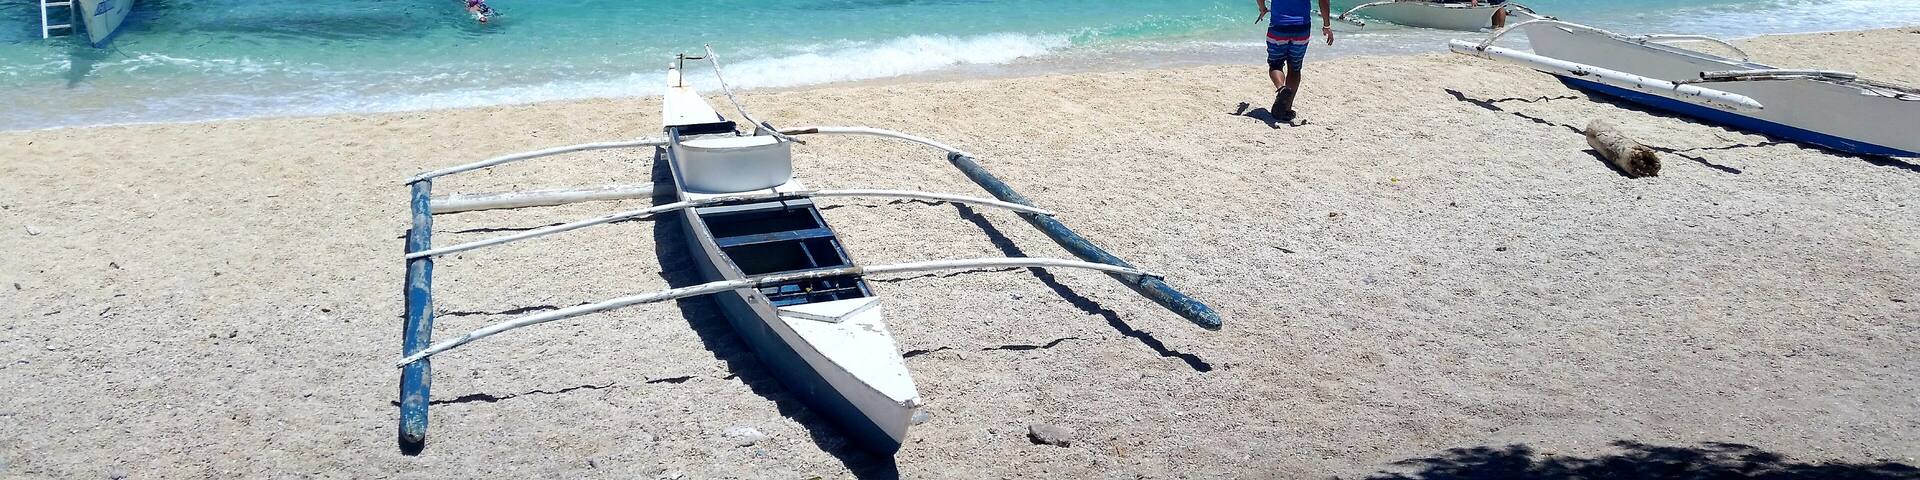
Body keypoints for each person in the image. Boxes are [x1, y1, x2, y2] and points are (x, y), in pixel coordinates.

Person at [1256, 0, 1333, 121]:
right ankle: (1286, 109)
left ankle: (1281, 88)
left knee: (1275, 65)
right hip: (1302, 29)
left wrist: (1262, 8)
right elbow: (1323, 1)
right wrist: (1326, 25)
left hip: (1278, 27)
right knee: (1295, 68)